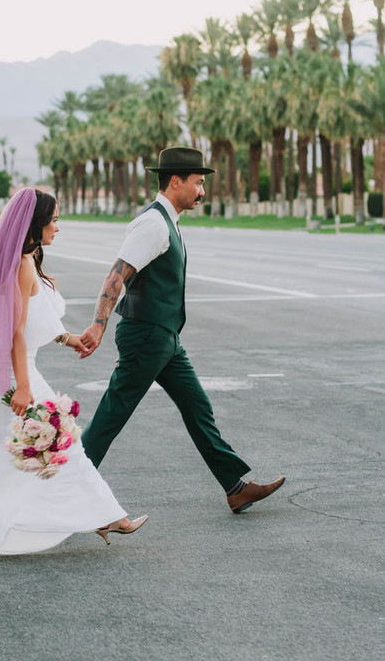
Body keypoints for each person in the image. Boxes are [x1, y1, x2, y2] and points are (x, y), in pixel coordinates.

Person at [0, 187, 147, 560]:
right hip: (18, 376)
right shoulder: (22, 265)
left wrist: (68, 338)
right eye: (55, 220)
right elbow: (13, 333)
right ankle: (106, 517)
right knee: (56, 446)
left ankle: (105, 517)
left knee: (16, 449)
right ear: (36, 224)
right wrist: (23, 388)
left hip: (17, 374)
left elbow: (29, 323)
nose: (58, 227)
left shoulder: (23, 259)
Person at [79, 147, 285, 514]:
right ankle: (65, 485)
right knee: (113, 414)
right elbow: (117, 274)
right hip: (149, 336)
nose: (202, 192)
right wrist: (99, 325)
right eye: (198, 183)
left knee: (197, 405)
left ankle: (235, 487)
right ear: (176, 181)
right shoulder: (153, 224)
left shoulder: (168, 221)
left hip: (164, 338)